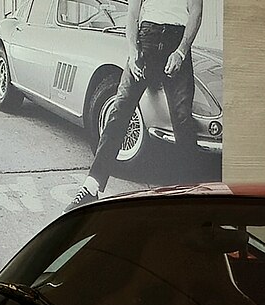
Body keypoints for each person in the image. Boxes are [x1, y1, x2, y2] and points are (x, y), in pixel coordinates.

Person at [66, 0, 204, 210]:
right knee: (120, 109)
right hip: (146, 39)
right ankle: (91, 186)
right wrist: (133, 51)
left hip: (176, 43)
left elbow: (196, 13)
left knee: (183, 117)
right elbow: (132, 16)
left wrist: (181, 52)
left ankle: (189, 193)